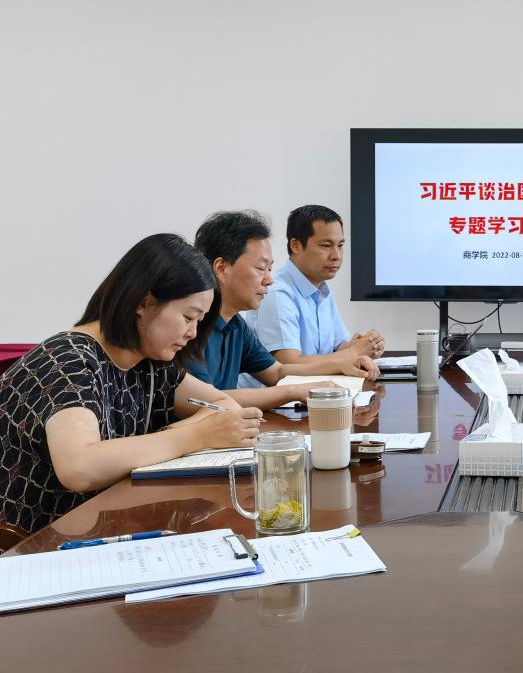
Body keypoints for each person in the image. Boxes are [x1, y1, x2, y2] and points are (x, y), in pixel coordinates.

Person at [0, 234, 262, 533]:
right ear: (144, 303)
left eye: (199, 322)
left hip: (97, 527)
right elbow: (79, 467)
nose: (192, 333)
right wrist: (196, 436)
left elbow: (224, 405)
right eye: (189, 317)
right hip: (29, 544)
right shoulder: (68, 361)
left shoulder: (149, 362)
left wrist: (182, 434)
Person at [190, 211, 378, 410]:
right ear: (221, 268)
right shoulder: (192, 328)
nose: (269, 280)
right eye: (260, 268)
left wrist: (340, 365)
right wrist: (293, 391)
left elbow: (277, 373)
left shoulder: (236, 324)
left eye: (269, 269)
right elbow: (204, 400)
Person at [247, 204, 385, 368]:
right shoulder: (276, 293)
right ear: (296, 246)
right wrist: (354, 352)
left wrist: (363, 347)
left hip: (319, 384)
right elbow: (289, 364)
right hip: (286, 385)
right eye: (326, 246)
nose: (336, 256)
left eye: (340, 246)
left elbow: (336, 347)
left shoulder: (322, 289)